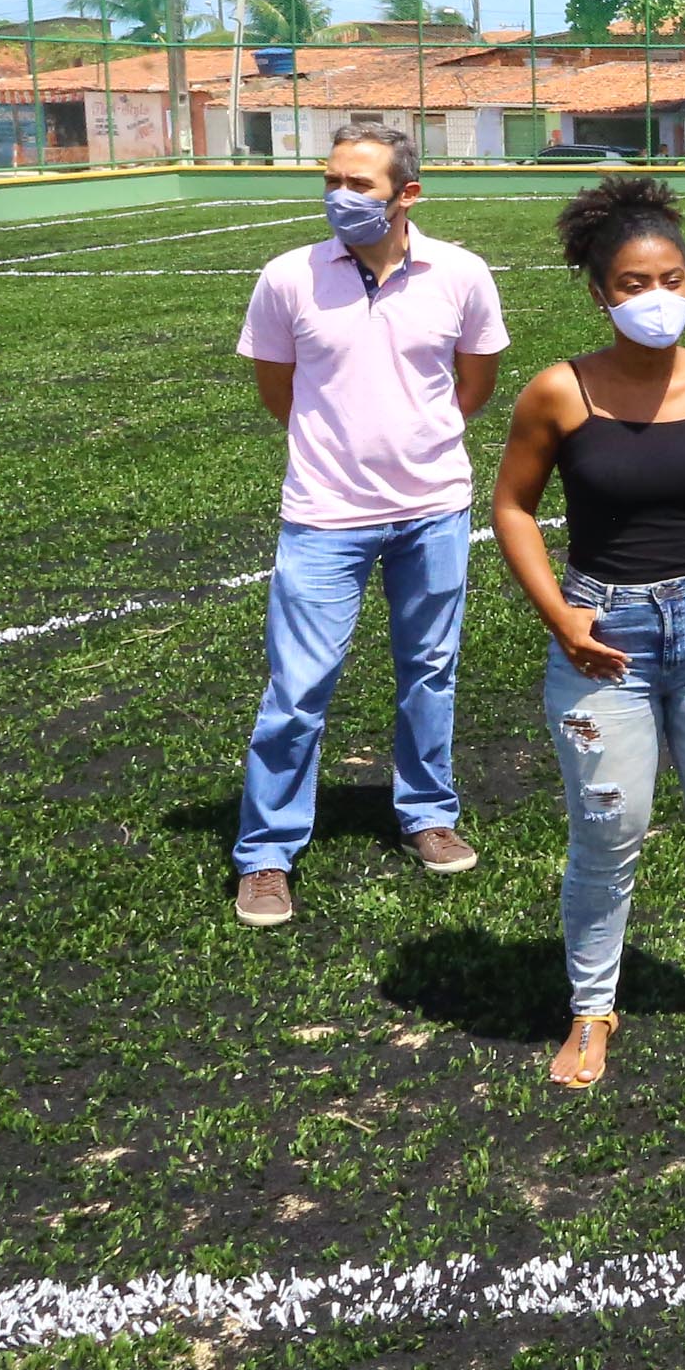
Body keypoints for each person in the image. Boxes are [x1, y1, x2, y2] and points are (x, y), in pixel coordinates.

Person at [490, 178, 685, 1084]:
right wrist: (560, 616)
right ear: (599, 293)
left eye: (671, 277)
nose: (657, 298)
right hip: (607, 644)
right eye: (633, 284)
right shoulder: (560, 392)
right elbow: (512, 507)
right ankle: (593, 1007)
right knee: (607, 826)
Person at [227, 126, 509, 928]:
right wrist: (342, 452)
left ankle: (427, 813)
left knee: (429, 670)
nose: (339, 197)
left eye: (358, 183)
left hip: (433, 509)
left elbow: (475, 381)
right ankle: (268, 853)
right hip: (322, 515)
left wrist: (416, 447)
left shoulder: (461, 273)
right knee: (298, 688)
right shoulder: (288, 277)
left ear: (406, 194)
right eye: (332, 180)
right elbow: (277, 392)